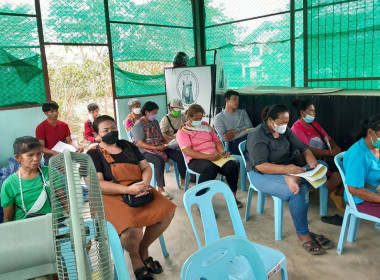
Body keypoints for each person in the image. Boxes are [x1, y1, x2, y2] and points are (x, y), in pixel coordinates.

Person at [87, 115, 176, 280]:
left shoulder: (128, 146)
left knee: (167, 212)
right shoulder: (94, 154)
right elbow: (97, 184)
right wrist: (127, 189)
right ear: (97, 134)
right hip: (112, 195)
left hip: (139, 188)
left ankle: (143, 249)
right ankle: (135, 258)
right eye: (105, 130)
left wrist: (144, 185)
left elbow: (146, 167)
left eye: (113, 128)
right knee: (132, 230)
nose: (111, 132)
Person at [245, 104, 331, 255]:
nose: (285, 125)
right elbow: (260, 166)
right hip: (262, 174)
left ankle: (295, 178)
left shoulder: (285, 130)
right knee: (298, 192)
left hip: (288, 170)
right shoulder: (257, 135)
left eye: (287, 122)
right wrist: (287, 170)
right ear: (270, 120)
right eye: (281, 122)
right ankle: (303, 235)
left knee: (322, 166)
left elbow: (304, 148)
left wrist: (311, 161)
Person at [176, 104, 242, 208]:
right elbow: (188, 151)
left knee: (231, 166)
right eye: (196, 118)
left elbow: (217, 141)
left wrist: (222, 151)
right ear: (189, 117)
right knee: (209, 169)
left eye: (201, 118)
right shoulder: (183, 131)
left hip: (215, 156)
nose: (199, 120)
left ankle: (233, 197)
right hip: (196, 159)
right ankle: (200, 203)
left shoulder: (206, 125)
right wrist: (207, 157)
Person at [291, 99, 344, 211]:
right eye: (311, 111)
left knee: (350, 168)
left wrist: (335, 148)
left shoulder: (315, 125)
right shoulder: (296, 128)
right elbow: (307, 150)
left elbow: (328, 139)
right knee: (340, 176)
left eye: (314, 111)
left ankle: (336, 192)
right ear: (302, 112)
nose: (314, 113)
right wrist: (330, 152)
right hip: (311, 161)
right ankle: (331, 189)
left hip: (326, 156)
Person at [132, 102, 187, 199]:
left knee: (179, 155)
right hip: (144, 150)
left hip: (159, 146)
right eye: (153, 113)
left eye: (156, 113)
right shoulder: (138, 125)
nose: (155, 115)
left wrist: (172, 143)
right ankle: (160, 188)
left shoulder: (155, 122)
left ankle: (183, 180)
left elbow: (161, 137)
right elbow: (140, 143)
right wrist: (156, 148)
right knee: (158, 161)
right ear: (146, 112)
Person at [1, 137, 51, 221]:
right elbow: (8, 218)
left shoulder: (50, 173)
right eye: (30, 155)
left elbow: (64, 200)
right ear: (18, 157)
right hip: (26, 227)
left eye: (39, 154)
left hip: (54, 224)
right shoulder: (9, 184)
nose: (36, 159)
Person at [343, 115, 380, 218]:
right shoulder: (357, 155)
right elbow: (354, 189)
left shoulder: (377, 147)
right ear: (370, 133)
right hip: (360, 199)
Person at [214, 90, 254, 155]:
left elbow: (249, 127)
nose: (237, 102)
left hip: (248, 137)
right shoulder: (219, 118)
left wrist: (235, 131)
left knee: (257, 134)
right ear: (227, 100)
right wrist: (242, 130)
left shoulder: (242, 112)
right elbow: (225, 138)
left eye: (238, 100)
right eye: (234, 99)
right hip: (233, 144)